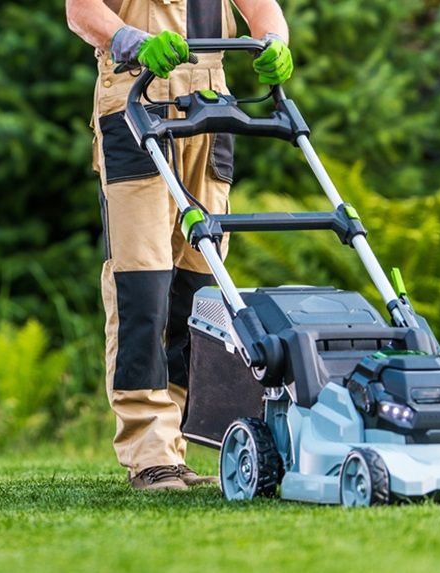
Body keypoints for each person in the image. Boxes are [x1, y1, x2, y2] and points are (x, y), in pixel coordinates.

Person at [65, 0, 294, 491]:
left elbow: (263, 9)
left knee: (200, 288)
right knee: (142, 284)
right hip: (135, 96)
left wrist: (275, 41)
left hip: (210, 105)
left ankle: (177, 446)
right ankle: (149, 450)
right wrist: (133, 41)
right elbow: (80, 10)